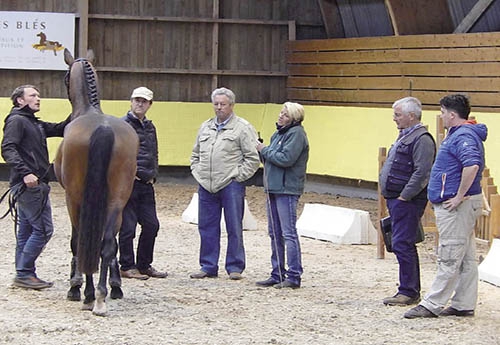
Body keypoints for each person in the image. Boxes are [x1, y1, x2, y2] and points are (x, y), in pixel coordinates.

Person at [404, 94, 487, 318]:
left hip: (457, 206)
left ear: (451, 114)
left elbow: (471, 165)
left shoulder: (463, 136)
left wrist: (459, 196)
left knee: (449, 254)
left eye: (442, 112)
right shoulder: (460, 134)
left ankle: (432, 304)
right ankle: (463, 304)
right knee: (466, 257)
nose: (441, 117)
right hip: (460, 204)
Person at [1, 85, 70, 290]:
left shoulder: (33, 123)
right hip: (29, 184)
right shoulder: (17, 121)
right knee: (43, 230)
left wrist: (77, 110)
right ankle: (24, 273)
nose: (38, 98)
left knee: (26, 230)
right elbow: (8, 148)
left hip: (30, 184)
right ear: (20, 101)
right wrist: (26, 173)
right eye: (33, 96)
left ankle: (23, 273)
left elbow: (59, 128)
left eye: (38, 95)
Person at [189, 87, 260, 280]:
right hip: (206, 184)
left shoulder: (243, 128)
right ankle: (208, 265)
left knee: (234, 226)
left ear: (232, 105)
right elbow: (195, 154)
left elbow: (252, 158)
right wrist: (197, 171)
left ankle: (235, 266)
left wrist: (238, 176)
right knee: (206, 226)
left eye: (223, 104)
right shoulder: (205, 126)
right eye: (216, 104)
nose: (219, 108)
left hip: (231, 184)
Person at [379, 97, 436, 305]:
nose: (394, 119)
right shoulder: (407, 136)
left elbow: (422, 172)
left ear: (411, 116)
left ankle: (409, 291)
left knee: (403, 243)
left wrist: (404, 195)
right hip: (399, 198)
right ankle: (408, 289)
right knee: (402, 242)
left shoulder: (422, 139)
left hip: (407, 200)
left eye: (398, 115)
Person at [255, 102, 309, 289]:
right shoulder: (278, 134)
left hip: (286, 189)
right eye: (281, 113)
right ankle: (277, 272)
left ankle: (293, 275)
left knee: (288, 233)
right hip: (274, 187)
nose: (280, 116)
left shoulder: (297, 135)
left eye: (285, 114)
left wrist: (264, 150)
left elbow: (285, 159)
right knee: (274, 233)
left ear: (294, 118)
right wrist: (263, 152)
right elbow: (271, 159)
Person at [118, 87, 167, 280]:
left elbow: (153, 152)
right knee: (128, 227)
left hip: (147, 184)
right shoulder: (122, 125)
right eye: (137, 100)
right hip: (128, 184)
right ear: (131, 101)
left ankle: (144, 264)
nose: (140, 103)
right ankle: (127, 265)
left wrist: (153, 174)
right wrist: (134, 173)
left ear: (149, 104)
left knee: (151, 225)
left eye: (144, 101)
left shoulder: (150, 126)